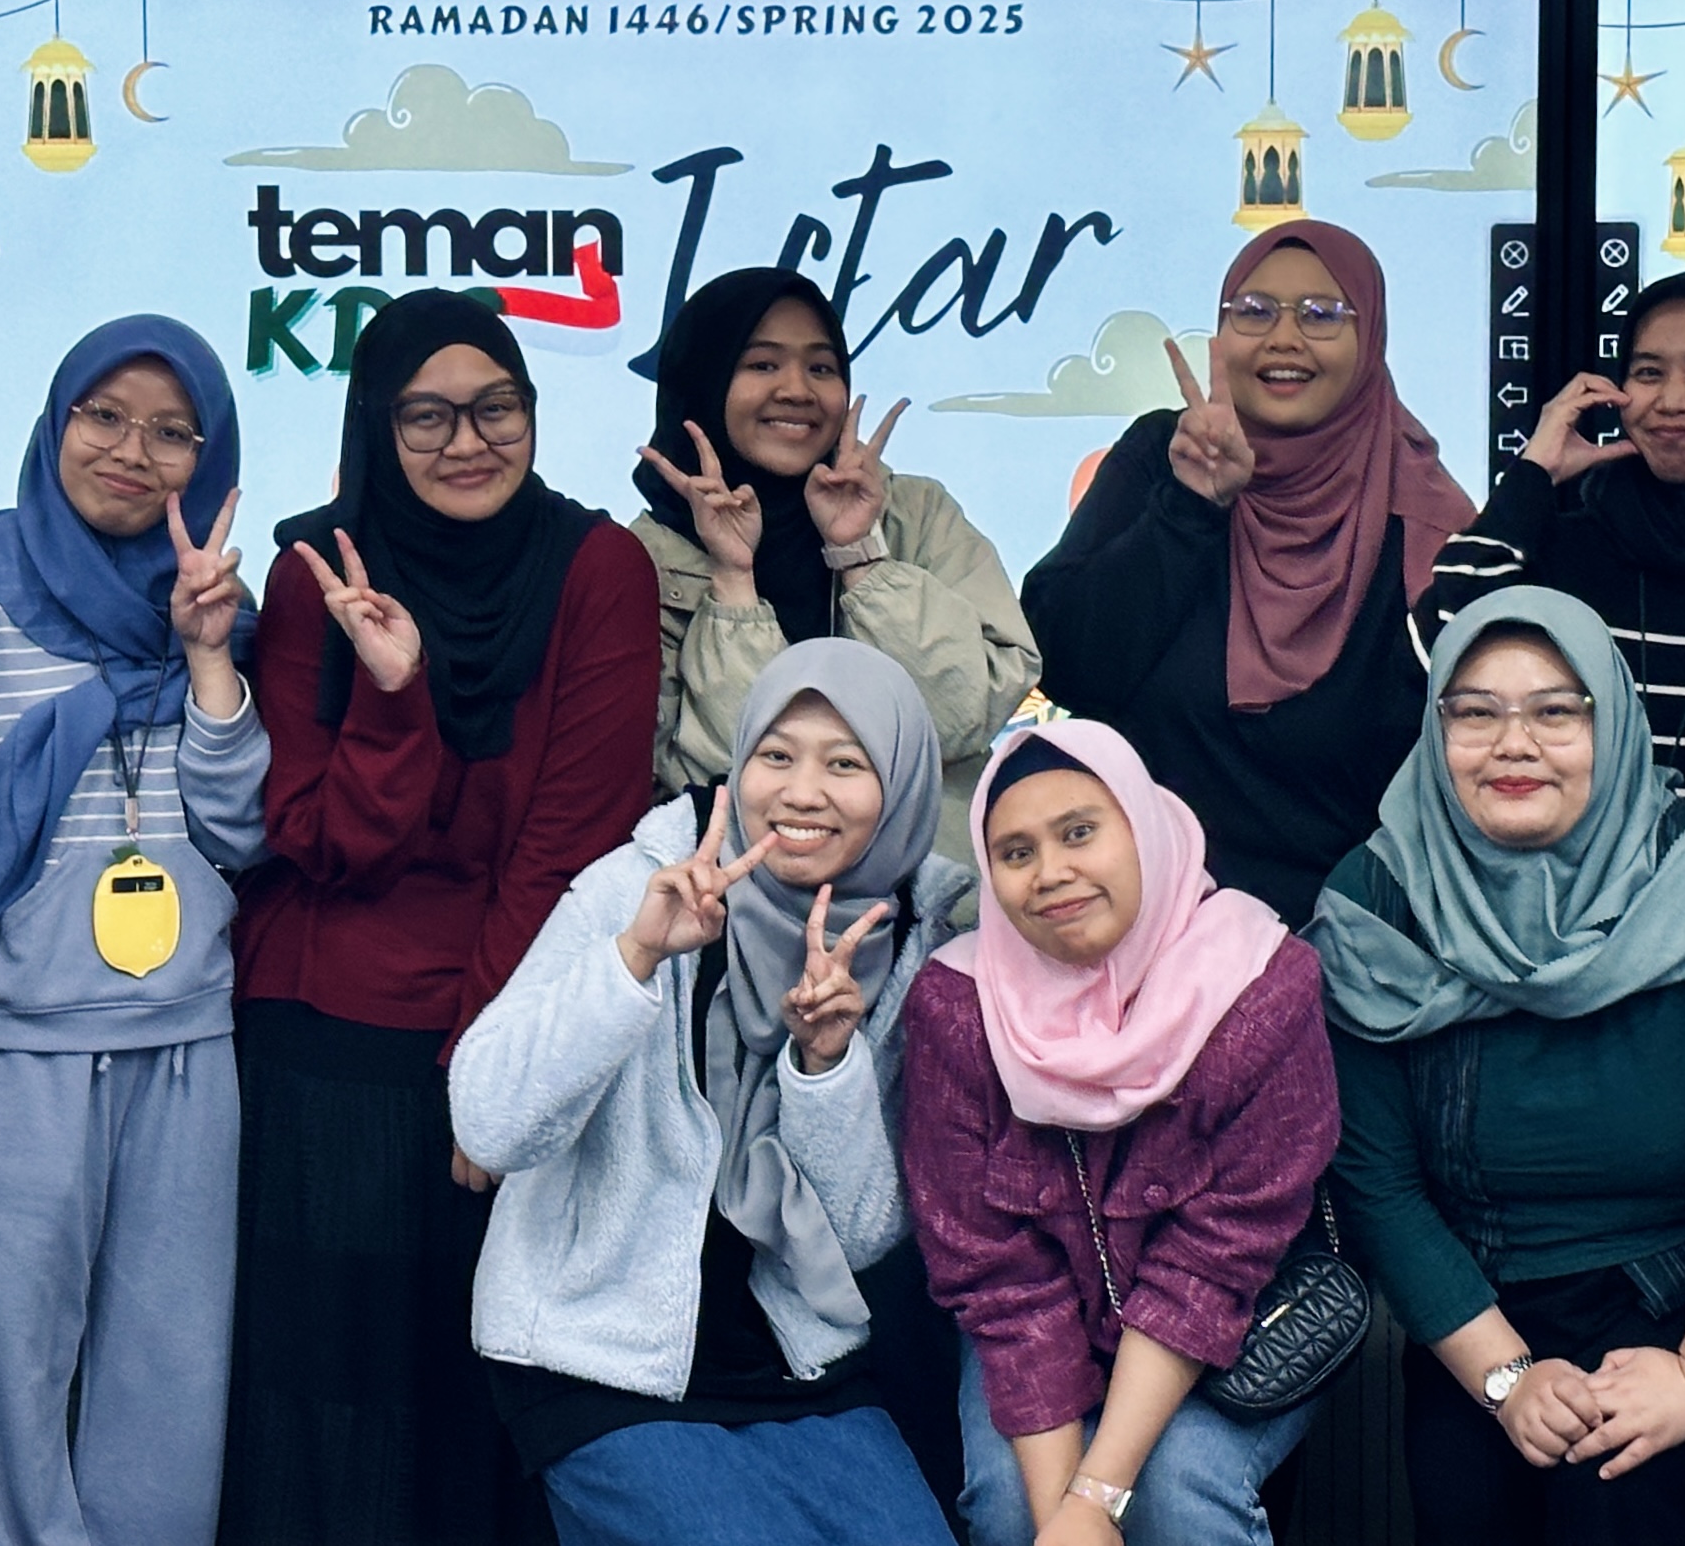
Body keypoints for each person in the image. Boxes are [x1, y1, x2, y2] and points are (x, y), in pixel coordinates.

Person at [223, 290, 659, 1546]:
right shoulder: (320, 572)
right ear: (376, 423)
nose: (467, 440)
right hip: (323, 1038)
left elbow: (572, 844)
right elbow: (318, 837)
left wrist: (491, 1064)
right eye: (426, 415)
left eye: (495, 407)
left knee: (482, 1406)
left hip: (501, 1037)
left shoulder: (599, 569)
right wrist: (397, 692)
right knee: (322, 1412)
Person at [0, 315, 267, 1546]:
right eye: (104, 416)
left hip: (183, 1036)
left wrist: (208, 657)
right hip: (8, 1041)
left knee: (169, 1373)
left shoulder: (218, 605)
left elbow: (241, 830)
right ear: (56, 421)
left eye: (172, 431)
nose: (132, 450)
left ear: (210, 456)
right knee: (7, 1370)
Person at [1310, 586, 1685, 1545]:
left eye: (1556, 711)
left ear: (1613, 721)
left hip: (1680, 1289)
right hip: (1473, 1297)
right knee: (1464, 1505)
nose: (1513, 744)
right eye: (1475, 712)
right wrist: (1507, 1378)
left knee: (1616, 1501)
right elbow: (1375, 1179)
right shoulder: (1376, 899)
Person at [447, 640, 964, 1546]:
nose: (801, 792)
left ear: (901, 786)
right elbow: (489, 1123)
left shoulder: (908, 941)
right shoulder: (639, 883)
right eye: (776, 755)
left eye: (845, 764)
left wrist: (826, 1064)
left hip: (797, 1364)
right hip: (596, 1359)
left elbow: (859, 1236)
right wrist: (634, 958)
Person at [903, 719, 1335, 1546]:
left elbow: (1217, 1258)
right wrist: (1063, 1514)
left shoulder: (1259, 982)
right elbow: (995, 1275)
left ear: (1143, 826)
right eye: (1016, 852)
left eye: (1078, 832)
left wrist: (1095, 1498)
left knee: (1178, 1491)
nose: (1050, 872)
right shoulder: (957, 1007)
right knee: (1010, 1503)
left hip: (1233, 1314)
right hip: (1035, 1322)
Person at [1023, 220, 1477, 924]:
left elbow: (1448, 773)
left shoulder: (1421, 524)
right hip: (1147, 933)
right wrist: (1190, 506)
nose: (1283, 338)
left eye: (1321, 314)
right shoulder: (1166, 457)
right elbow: (1069, 665)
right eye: (1255, 311)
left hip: (1345, 947)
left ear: (1370, 340)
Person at [633, 266, 1041, 871]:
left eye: (822, 368)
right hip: (735, 902)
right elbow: (714, 771)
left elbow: (965, 716)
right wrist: (734, 582)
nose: (798, 390)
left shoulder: (915, 513)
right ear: (703, 378)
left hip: (933, 901)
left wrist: (861, 555)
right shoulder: (642, 560)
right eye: (762, 364)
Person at [1417, 272, 1685, 817]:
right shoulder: (1559, 551)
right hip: (1572, 873)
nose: (1672, 401)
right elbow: (1433, 656)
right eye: (1648, 372)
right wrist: (1533, 475)